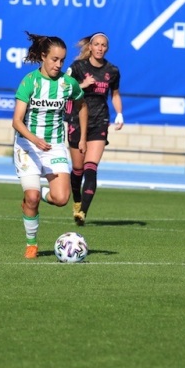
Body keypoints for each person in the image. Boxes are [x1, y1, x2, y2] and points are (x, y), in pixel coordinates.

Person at [12, 32, 88, 259]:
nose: (59, 64)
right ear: (43, 57)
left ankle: (32, 196)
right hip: (27, 145)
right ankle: (31, 244)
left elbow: (82, 106)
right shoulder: (29, 82)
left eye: (62, 60)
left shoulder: (68, 84)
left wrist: (83, 137)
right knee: (33, 198)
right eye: (54, 59)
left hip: (54, 146)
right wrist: (34, 139)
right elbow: (17, 120)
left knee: (62, 199)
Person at [64, 32, 123, 226]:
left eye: (103, 45)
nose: (99, 48)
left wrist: (119, 114)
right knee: (78, 169)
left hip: (100, 121)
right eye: (96, 44)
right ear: (90, 46)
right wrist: (82, 85)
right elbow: (64, 90)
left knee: (91, 167)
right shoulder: (78, 67)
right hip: (76, 120)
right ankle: (77, 200)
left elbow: (114, 94)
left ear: (107, 48)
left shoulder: (112, 71)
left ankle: (83, 212)